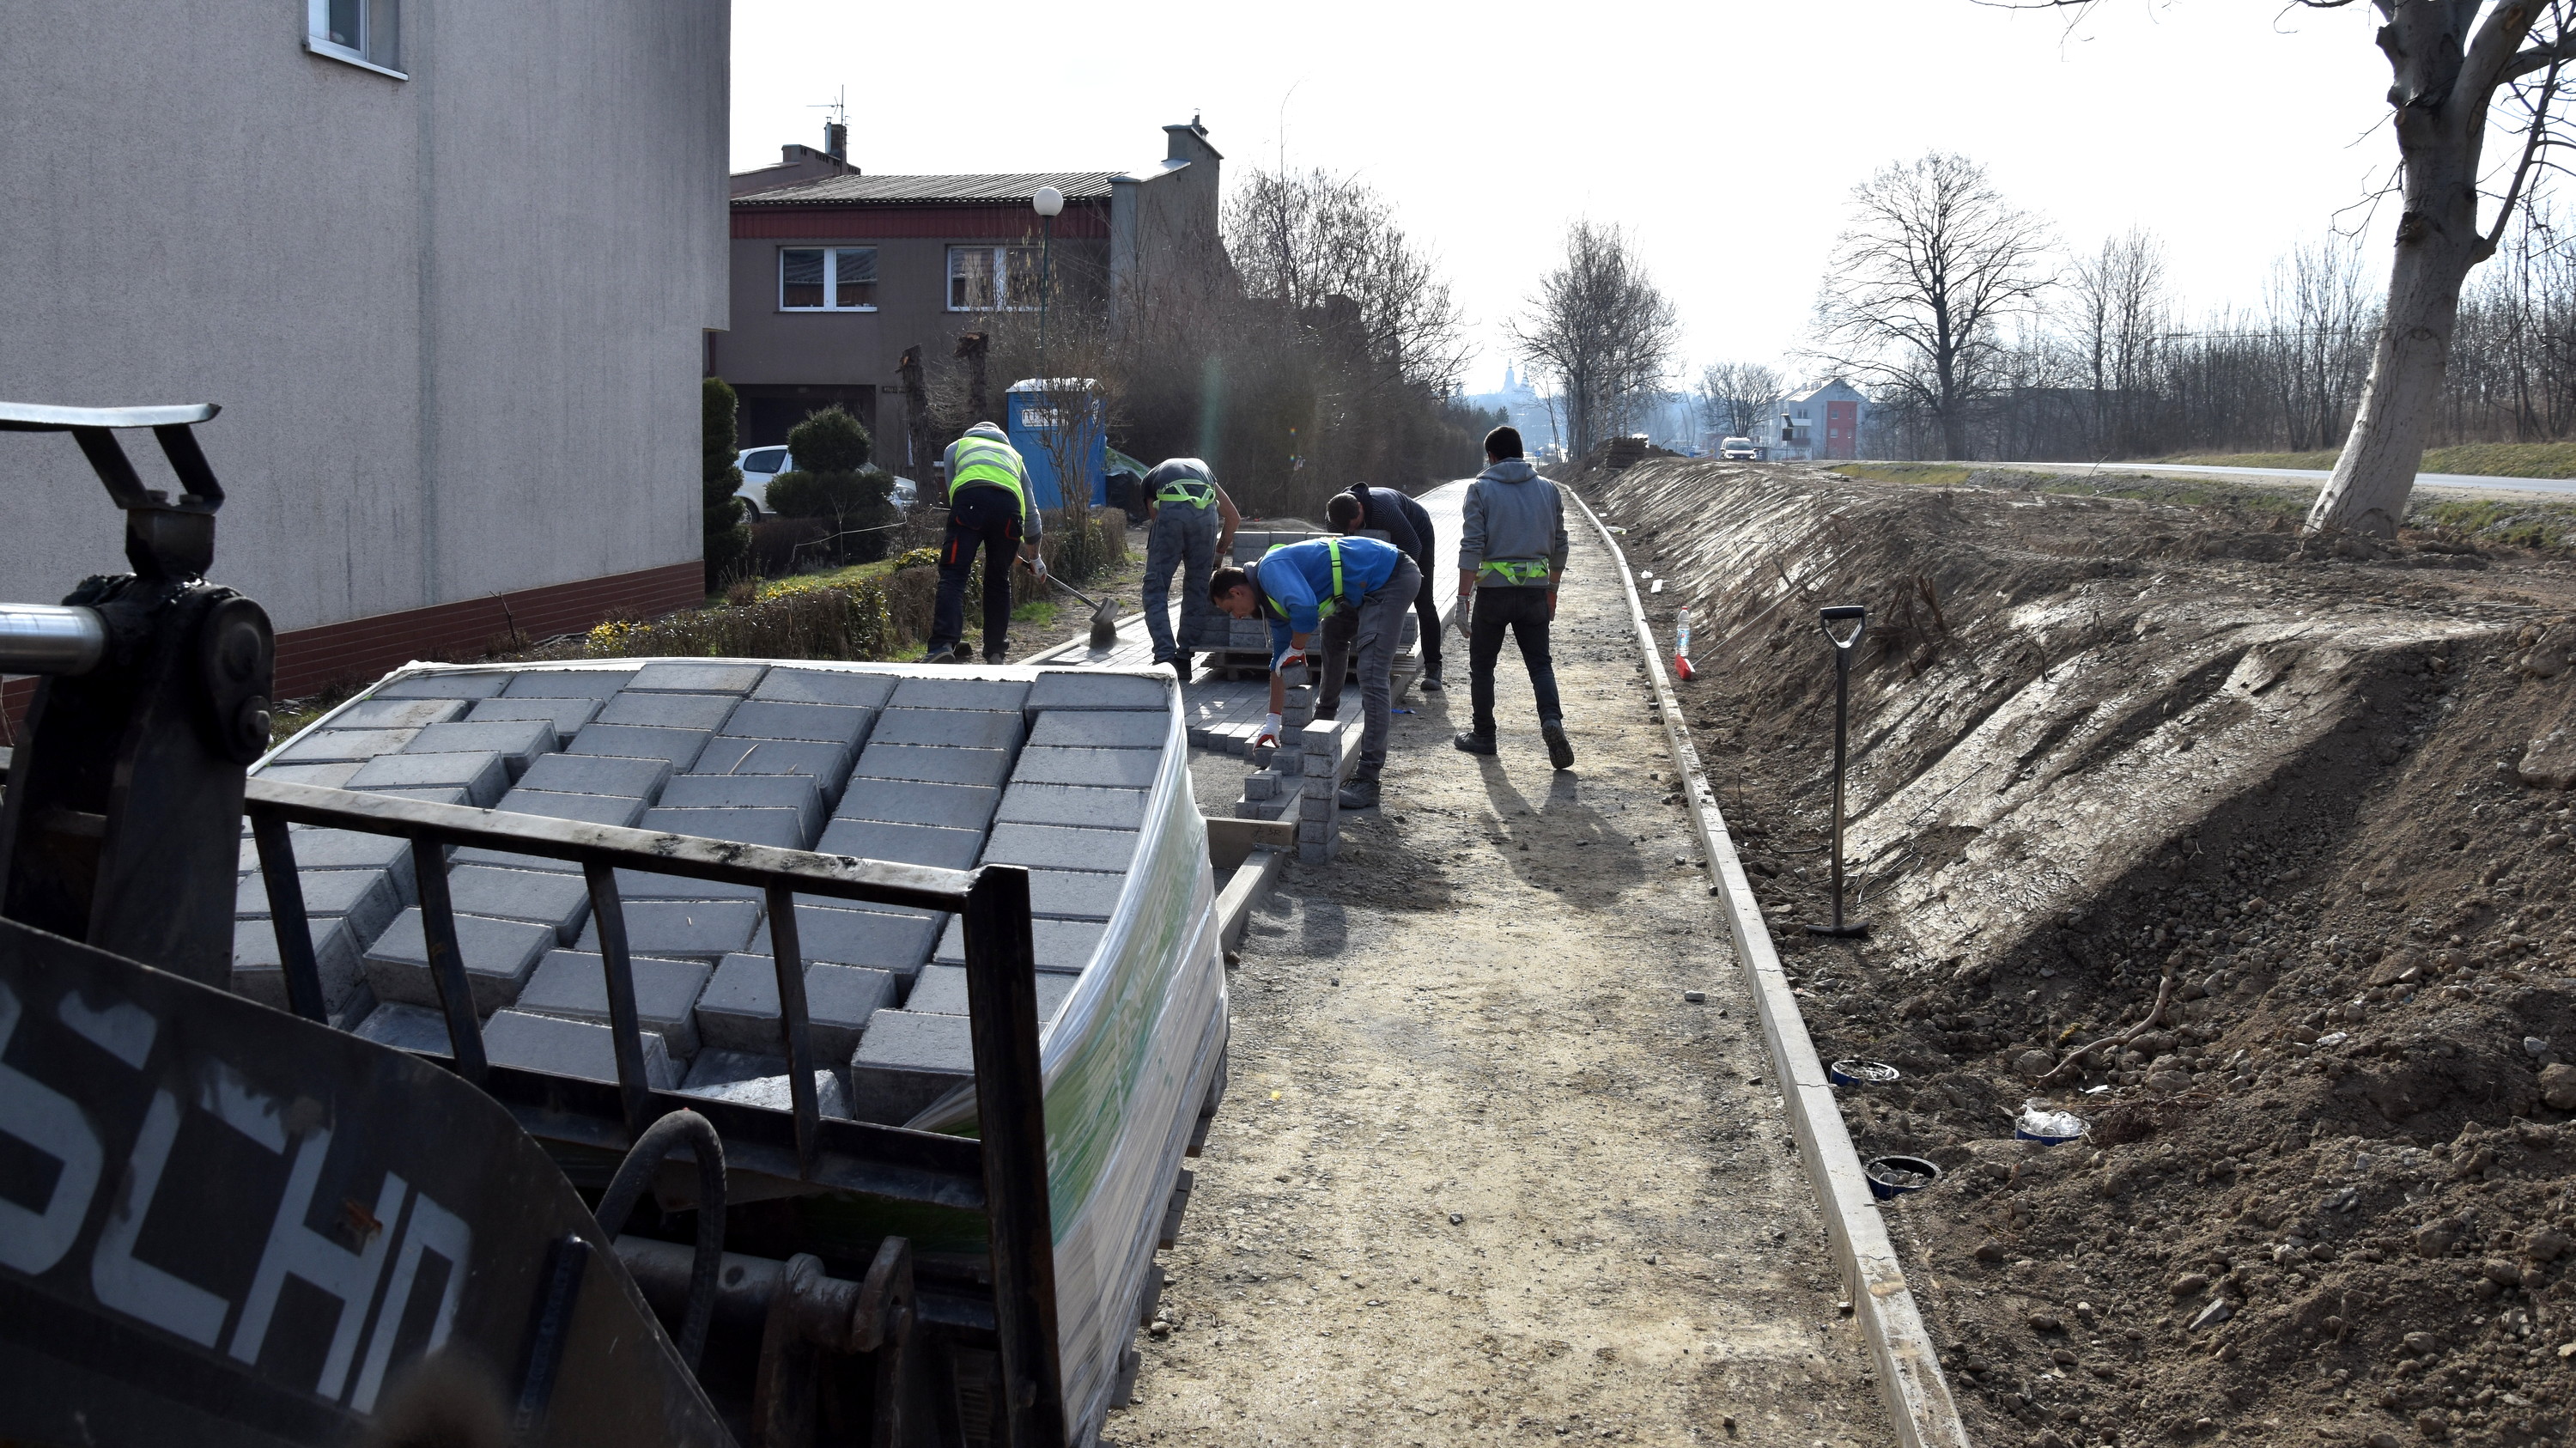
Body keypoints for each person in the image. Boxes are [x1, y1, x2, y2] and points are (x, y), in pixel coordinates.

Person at [1209, 533, 1418, 810]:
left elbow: (1306, 609)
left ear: (1236, 592)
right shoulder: (1271, 604)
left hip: (1391, 576)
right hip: (1361, 588)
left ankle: (1368, 779)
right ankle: (1322, 723)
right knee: (1333, 632)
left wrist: (1298, 646)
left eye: (1230, 609)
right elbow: (1281, 662)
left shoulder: (1270, 570)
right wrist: (1272, 722)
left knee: (1371, 673)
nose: (1235, 616)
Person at [1454, 425, 1573, 770]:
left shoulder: (1480, 489)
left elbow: (1471, 546)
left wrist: (1463, 599)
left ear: (1491, 457)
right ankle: (1552, 721)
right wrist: (1552, 590)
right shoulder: (1549, 490)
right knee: (1540, 665)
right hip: (1535, 593)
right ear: (1520, 453)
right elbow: (1560, 545)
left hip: (1493, 595)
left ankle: (1484, 735)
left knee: (1482, 667)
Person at [926, 422, 1042, 664]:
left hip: (968, 505)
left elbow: (954, 494)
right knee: (999, 580)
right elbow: (1030, 511)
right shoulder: (1014, 456)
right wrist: (1035, 558)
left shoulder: (956, 448)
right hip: (1009, 515)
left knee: (954, 575)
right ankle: (996, 652)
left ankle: (942, 646)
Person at [1324, 482, 1443, 692]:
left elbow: (1413, 547)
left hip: (1416, 532)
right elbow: (1341, 554)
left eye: (1355, 525)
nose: (1352, 531)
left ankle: (1433, 667)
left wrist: (1393, 586)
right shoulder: (1336, 519)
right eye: (1348, 529)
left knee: (1424, 601)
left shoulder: (1383, 510)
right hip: (1380, 544)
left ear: (1360, 507)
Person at [1139, 457, 1241, 675]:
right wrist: (1220, 551)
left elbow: (1157, 519)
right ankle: (1184, 659)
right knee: (1197, 589)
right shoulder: (1204, 473)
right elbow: (1233, 517)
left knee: (1155, 588)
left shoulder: (1150, 479)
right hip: (1207, 517)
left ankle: (1165, 658)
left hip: (1171, 515)